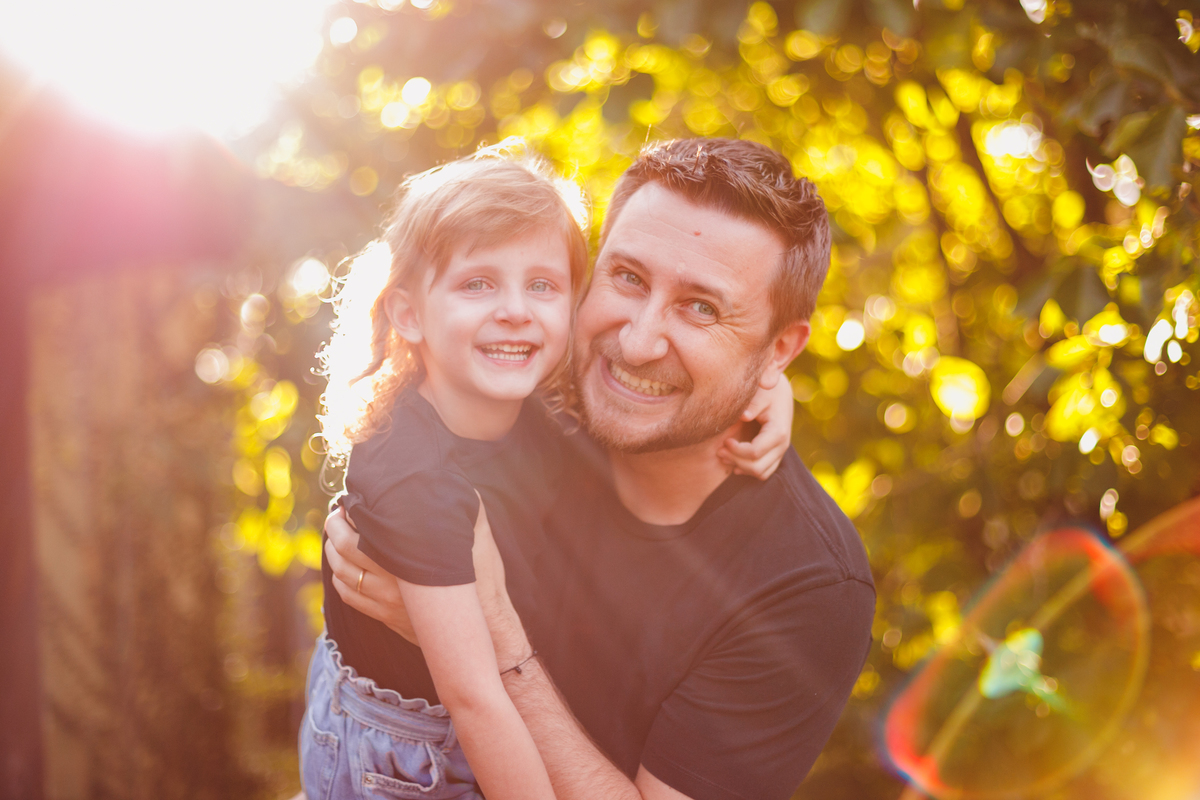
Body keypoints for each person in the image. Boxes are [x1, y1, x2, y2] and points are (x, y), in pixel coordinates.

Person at [324, 137, 876, 800]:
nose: (638, 343)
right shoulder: (547, 397)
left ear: (779, 348)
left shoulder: (806, 587)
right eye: (628, 278)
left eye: (701, 307)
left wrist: (488, 629)